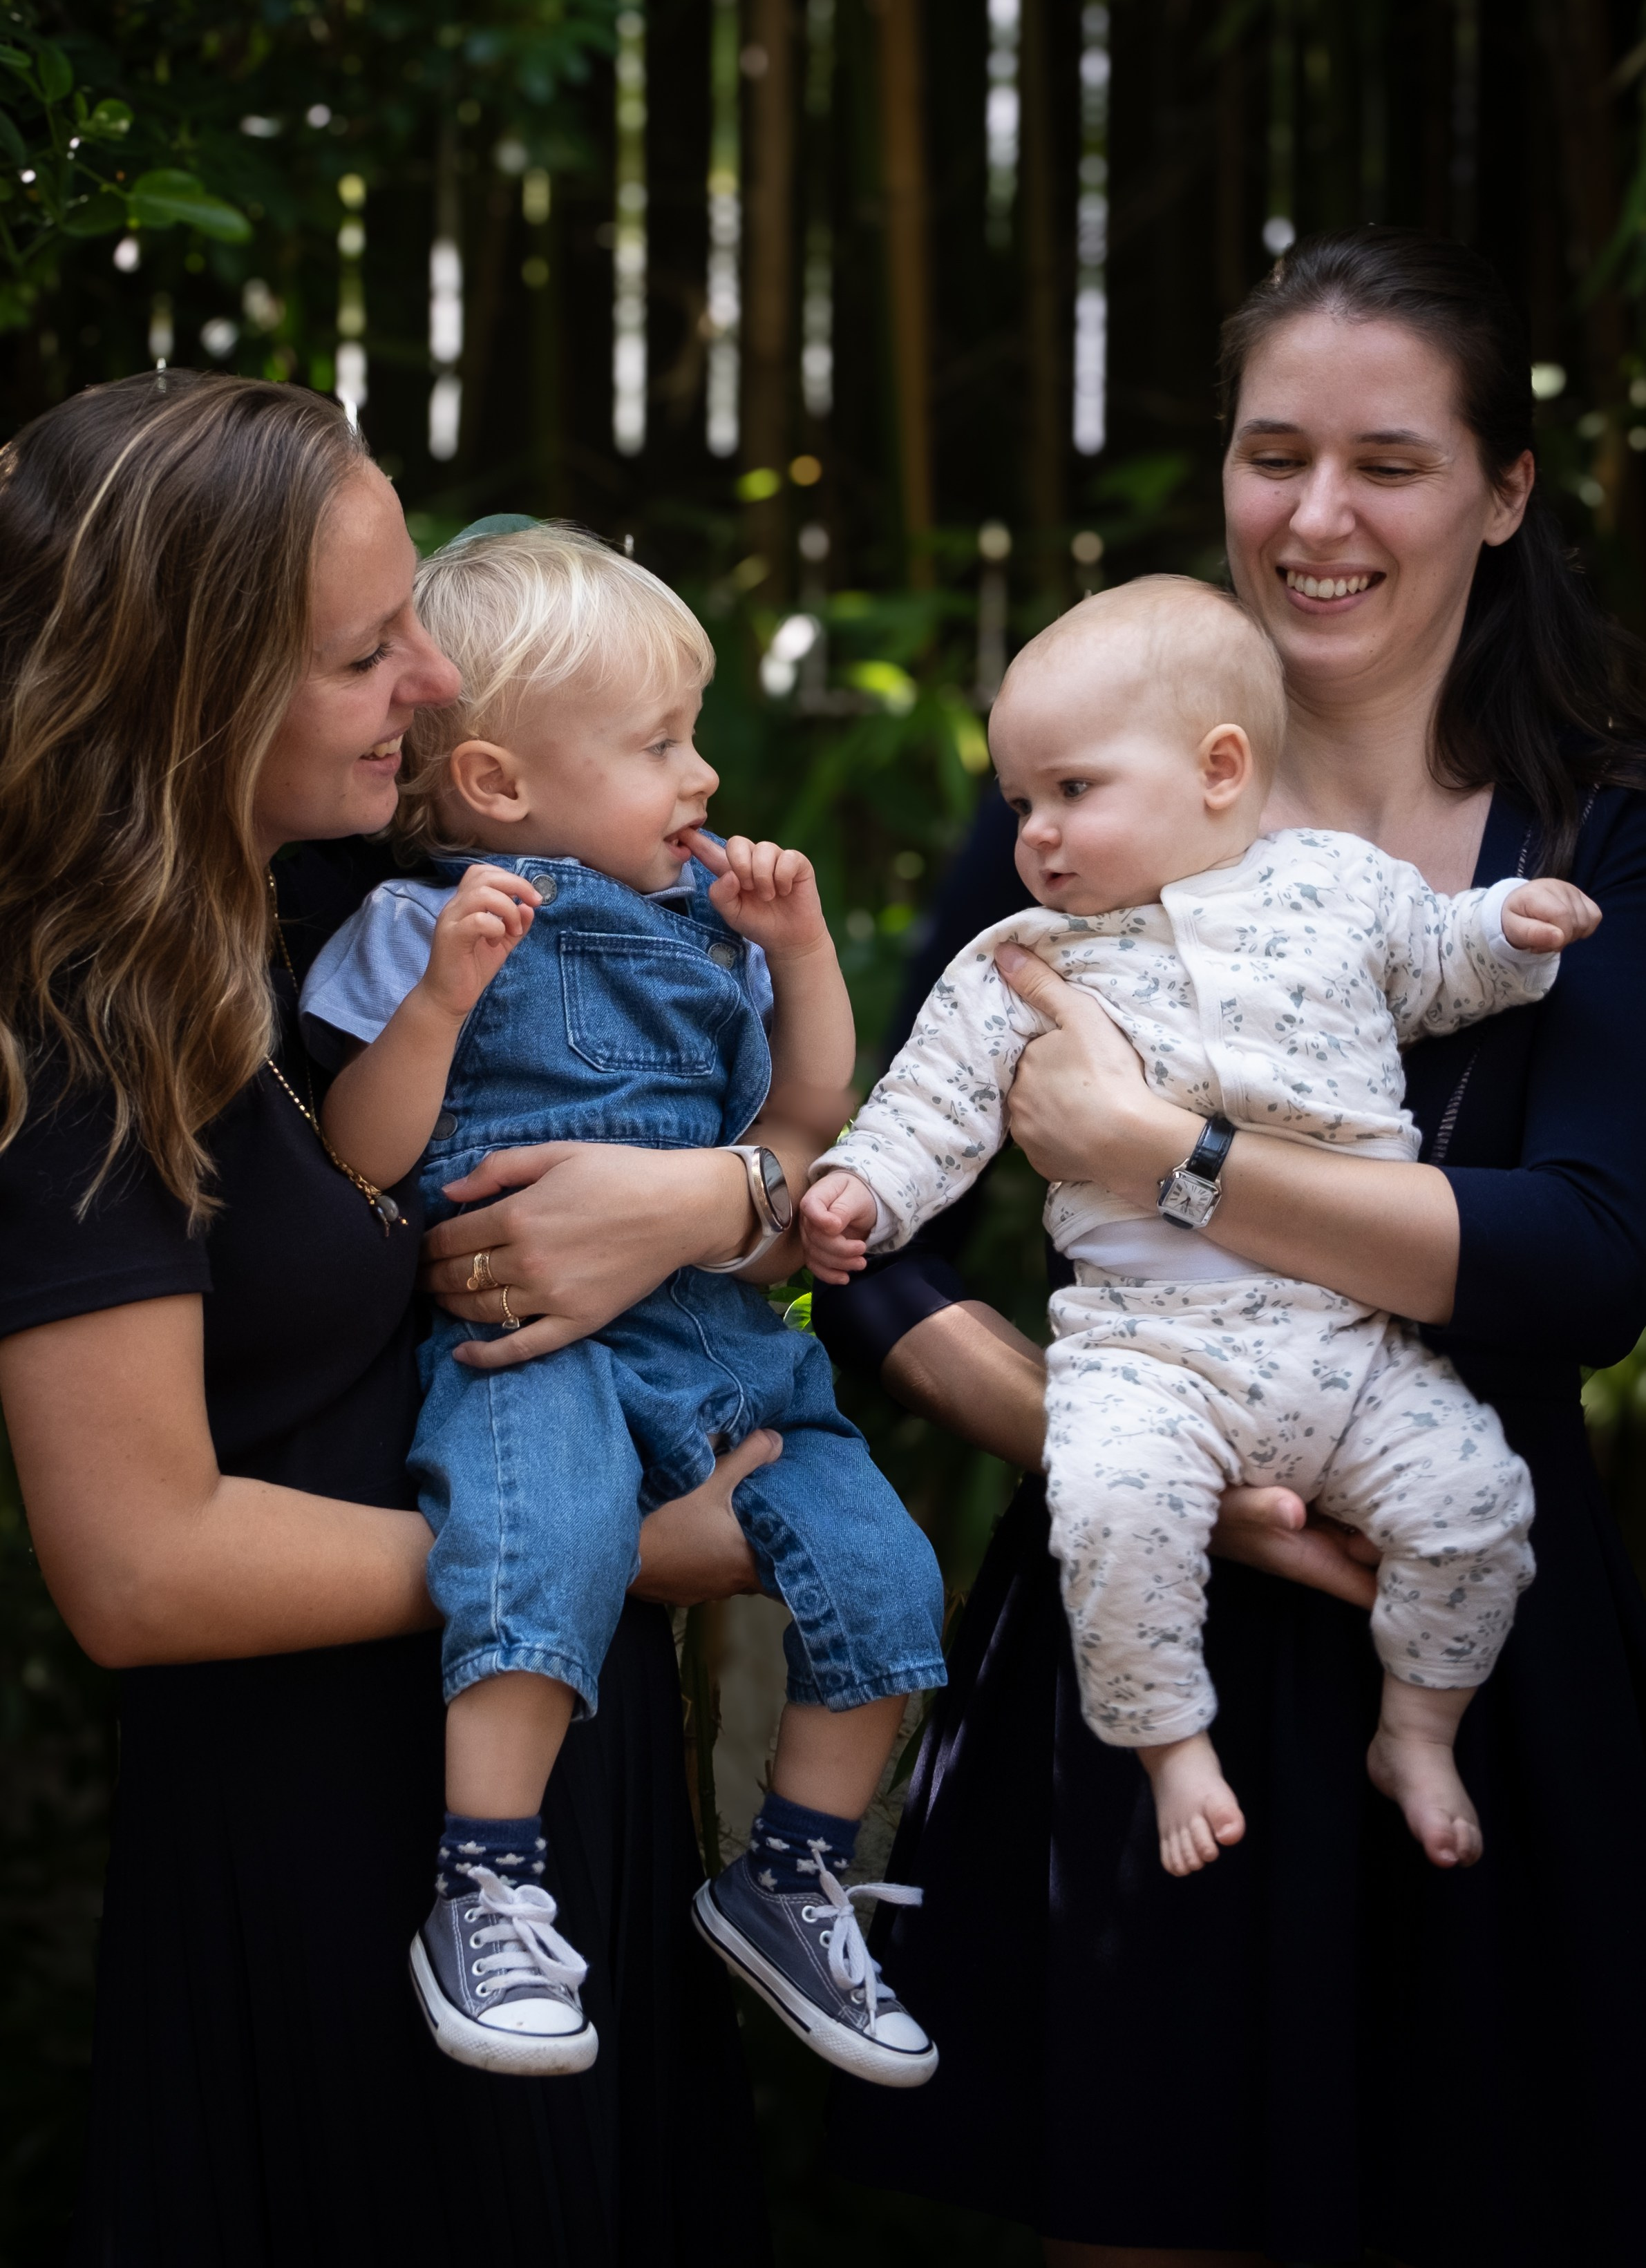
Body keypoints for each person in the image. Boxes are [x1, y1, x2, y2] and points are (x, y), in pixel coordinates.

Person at [814, 229, 1646, 2268]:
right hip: (1136, 1622)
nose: (1317, 516)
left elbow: (1581, 1259)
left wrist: (1159, 1155)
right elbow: (873, 1248)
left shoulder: (1587, 832)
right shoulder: (1074, 807)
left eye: (1389, 460)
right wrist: (1110, 1453)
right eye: (1272, 455)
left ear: (1503, 489)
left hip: (1463, 1638)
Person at [0, 372, 780, 2266]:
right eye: (366, 652)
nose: (436, 684)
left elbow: (718, 1095)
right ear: (193, 688)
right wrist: (585, 1552)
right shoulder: (68, 1034)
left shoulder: (325, 896)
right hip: (330, 1827)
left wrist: (719, 1198)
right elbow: (141, 1562)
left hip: (529, 1754)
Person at [807, 573, 1603, 1876]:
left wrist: (1513, 933)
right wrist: (865, 1185)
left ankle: (1419, 1723)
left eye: (1072, 791)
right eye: (1020, 804)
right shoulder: (1031, 955)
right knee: (1113, 1506)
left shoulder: (1340, 888)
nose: (1037, 835)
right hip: (1145, 1352)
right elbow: (933, 1097)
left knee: (1475, 1501)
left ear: (1218, 768)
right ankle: (1170, 1742)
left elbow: (1439, 959)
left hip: (1349, 1347)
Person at [300, 520, 943, 2084]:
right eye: (661, 742)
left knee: (890, 1572)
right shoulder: (410, 927)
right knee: (544, 1538)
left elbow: (807, 1108)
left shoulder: (706, 926)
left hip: (722, 1345)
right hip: (537, 1353)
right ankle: (489, 1873)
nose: (704, 773)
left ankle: (790, 1870)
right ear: (503, 787)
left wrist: (796, 951)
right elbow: (359, 1155)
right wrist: (449, 995)